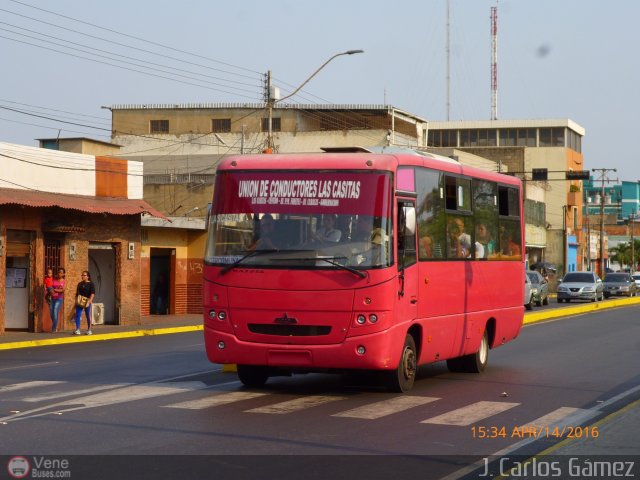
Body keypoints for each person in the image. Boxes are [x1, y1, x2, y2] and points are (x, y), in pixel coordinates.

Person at [74, 270, 96, 335]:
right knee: (78, 315)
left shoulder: (91, 284)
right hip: (80, 301)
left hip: (87, 301)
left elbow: (92, 293)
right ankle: (77, 329)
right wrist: (76, 301)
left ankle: (89, 329)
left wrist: (89, 301)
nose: (82, 276)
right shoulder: (79, 284)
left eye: (84, 275)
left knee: (87, 315)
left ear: (88, 276)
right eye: (82, 275)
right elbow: (77, 293)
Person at [49, 267, 65, 333]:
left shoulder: (64, 281)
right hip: (52, 298)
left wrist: (55, 290)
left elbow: (63, 290)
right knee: (51, 313)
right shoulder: (54, 280)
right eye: (59, 272)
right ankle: (55, 324)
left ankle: (54, 329)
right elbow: (50, 288)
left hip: (59, 299)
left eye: (61, 272)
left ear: (63, 274)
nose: (60, 274)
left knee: (55, 310)